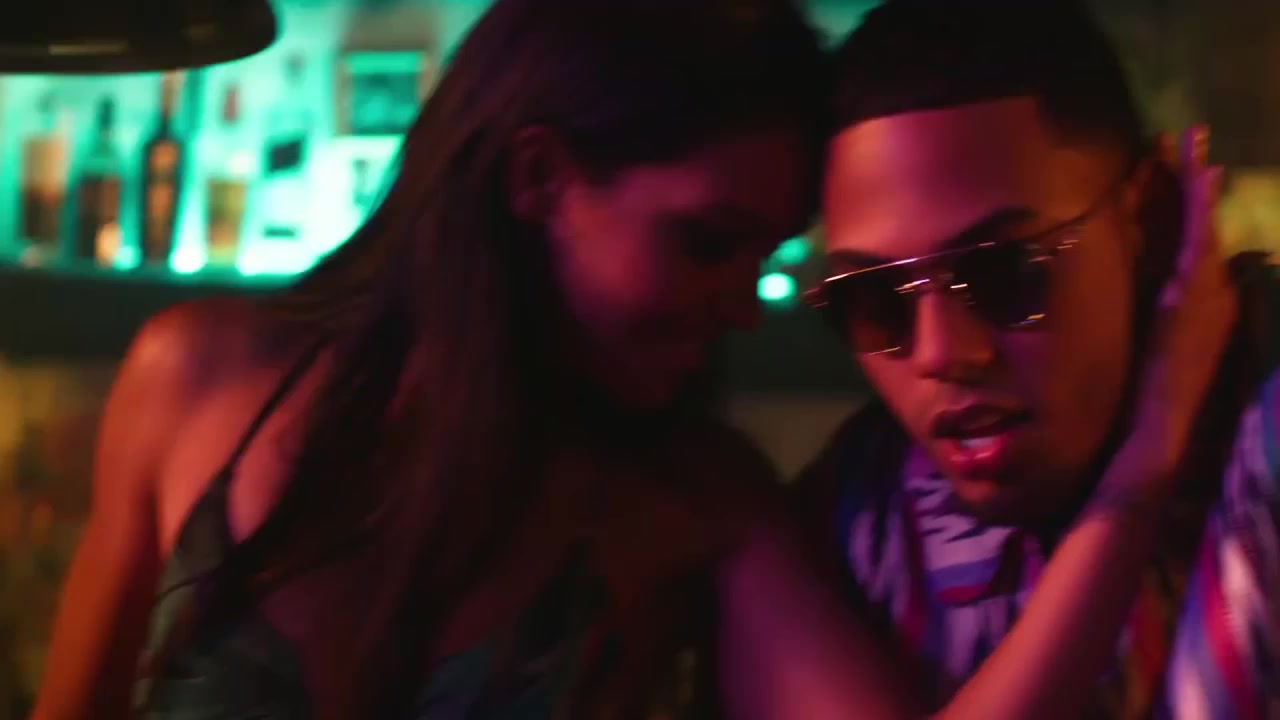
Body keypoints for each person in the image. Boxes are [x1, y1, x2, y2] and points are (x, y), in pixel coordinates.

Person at [30, 1, 828, 718]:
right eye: (708, 243)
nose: (746, 308)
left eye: (762, 255)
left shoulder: (695, 496)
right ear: (539, 178)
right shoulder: (198, 373)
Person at [718, 1, 1276, 718]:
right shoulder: (850, 526)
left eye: (1006, 273)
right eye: (875, 300)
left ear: (1150, 220)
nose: (942, 353)